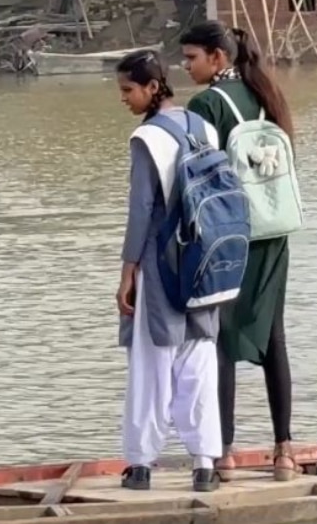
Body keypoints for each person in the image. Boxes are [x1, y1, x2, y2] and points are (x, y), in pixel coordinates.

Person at [179, 20, 299, 482]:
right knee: (274, 334)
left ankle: (224, 451)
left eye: (192, 58)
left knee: (222, 336)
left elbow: (196, 177)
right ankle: (284, 450)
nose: (186, 66)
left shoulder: (207, 103)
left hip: (230, 234)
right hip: (274, 229)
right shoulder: (267, 96)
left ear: (218, 58)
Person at [114, 49, 223, 492]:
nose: (124, 99)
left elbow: (141, 211)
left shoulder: (148, 140)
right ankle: (204, 465)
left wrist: (127, 273)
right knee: (198, 362)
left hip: (161, 263)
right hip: (207, 261)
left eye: (128, 90)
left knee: (151, 363)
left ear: (152, 87)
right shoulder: (206, 129)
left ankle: (141, 465)